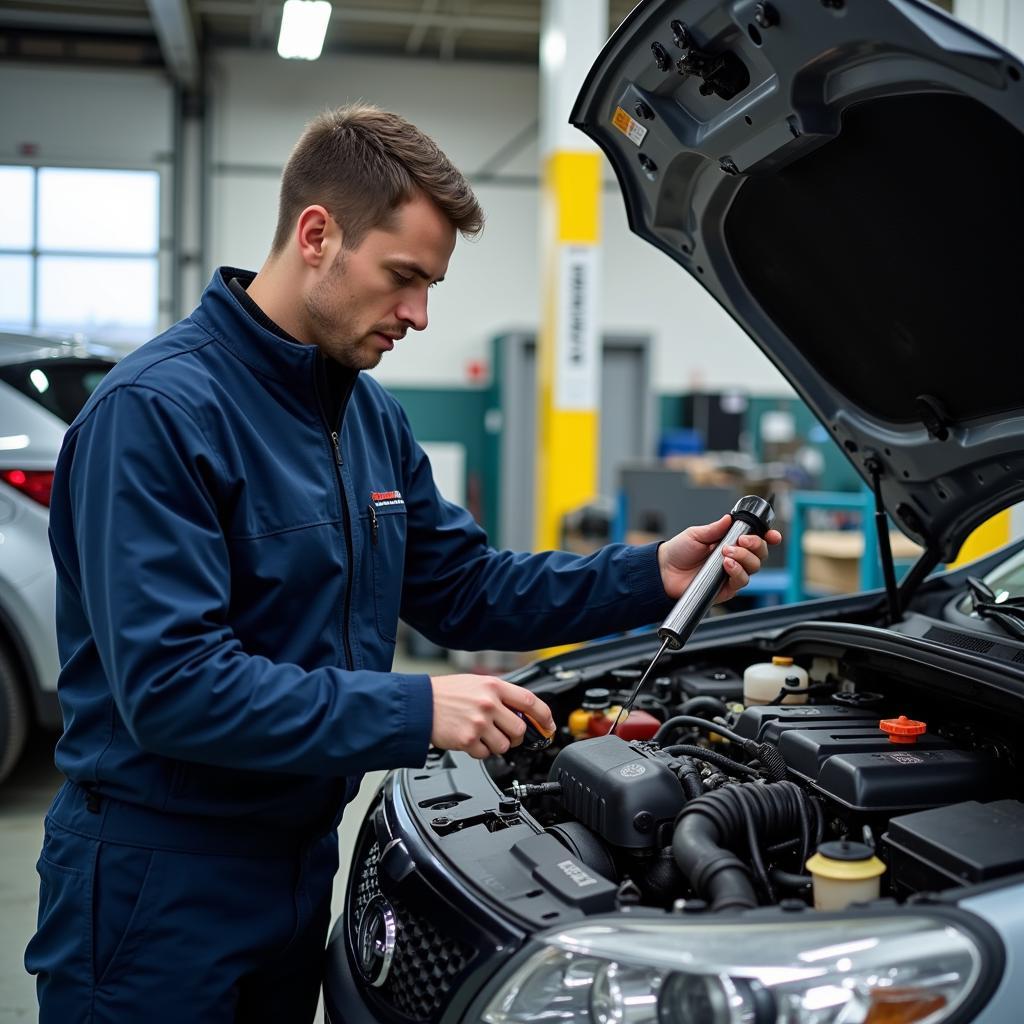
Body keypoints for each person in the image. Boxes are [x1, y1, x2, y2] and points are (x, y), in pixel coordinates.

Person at [26, 104, 780, 1022]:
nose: (420, 315)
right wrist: (418, 708)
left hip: (300, 861)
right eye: (403, 278)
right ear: (317, 235)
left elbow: (464, 589)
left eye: (430, 286)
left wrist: (648, 573)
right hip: (158, 879)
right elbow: (176, 687)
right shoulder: (157, 414)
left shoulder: (365, 416)